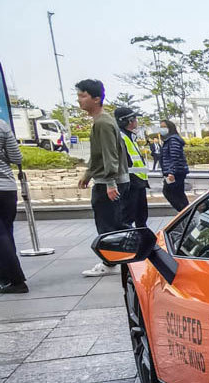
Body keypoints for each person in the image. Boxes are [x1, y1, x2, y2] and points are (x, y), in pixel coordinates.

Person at [76, 78, 129, 278]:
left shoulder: (103, 123)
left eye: (83, 96)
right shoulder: (101, 121)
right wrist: (89, 173)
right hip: (107, 181)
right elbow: (99, 155)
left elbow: (110, 155)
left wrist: (109, 183)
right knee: (114, 223)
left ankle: (112, 260)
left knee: (110, 225)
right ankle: (119, 258)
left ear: (96, 99)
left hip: (110, 183)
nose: (80, 100)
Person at [0, 117, 28, 294]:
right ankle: (6, 277)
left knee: (1, 235)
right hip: (7, 188)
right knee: (6, 232)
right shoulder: (2, 125)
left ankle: (16, 279)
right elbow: (16, 157)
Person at [114, 107, 150, 229]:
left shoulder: (130, 136)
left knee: (141, 216)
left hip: (138, 182)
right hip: (130, 183)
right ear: (129, 121)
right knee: (127, 217)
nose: (137, 121)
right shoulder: (120, 137)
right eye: (135, 119)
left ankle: (143, 241)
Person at [159, 120, 190, 212]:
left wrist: (171, 172)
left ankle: (184, 213)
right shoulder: (169, 140)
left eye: (164, 127)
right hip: (176, 171)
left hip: (175, 173)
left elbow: (175, 156)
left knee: (168, 192)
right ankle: (187, 214)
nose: (162, 129)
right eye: (161, 127)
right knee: (179, 194)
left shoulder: (173, 140)